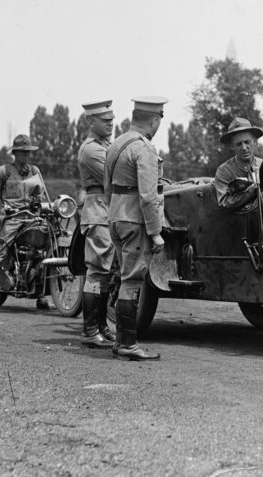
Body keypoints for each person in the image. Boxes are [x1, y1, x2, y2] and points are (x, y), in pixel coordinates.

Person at [104, 96, 167, 361]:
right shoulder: (145, 149)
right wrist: (155, 231)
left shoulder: (116, 144)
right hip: (135, 220)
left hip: (115, 216)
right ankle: (128, 344)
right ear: (154, 120)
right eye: (160, 119)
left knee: (123, 277)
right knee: (132, 281)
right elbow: (149, 196)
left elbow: (107, 188)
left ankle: (121, 341)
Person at [0, 134, 51, 312]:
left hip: (31, 217)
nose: (26, 156)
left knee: (45, 250)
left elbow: (42, 195)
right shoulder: (3, 171)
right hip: (12, 219)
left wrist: (43, 208)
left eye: (28, 152)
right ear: (15, 153)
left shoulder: (35, 171)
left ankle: (41, 296)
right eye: (23, 152)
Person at [77, 99, 118, 348]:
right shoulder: (92, 150)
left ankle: (101, 326)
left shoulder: (106, 146)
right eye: (105, 121)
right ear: (90, 122)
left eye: (112, 120)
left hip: (107, 210)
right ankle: (90, 330)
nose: (110, 124)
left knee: (105, 273)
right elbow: (115, 177)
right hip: (98, 211)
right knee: (96, 272)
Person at [215, 117, 263, 211]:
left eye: (247, 142)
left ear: (254, 142)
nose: (244, 147)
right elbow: (224, 202)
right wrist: (251, 191)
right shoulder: (224, 171)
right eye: (238, 144)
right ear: (232, 146)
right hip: (239, 223)